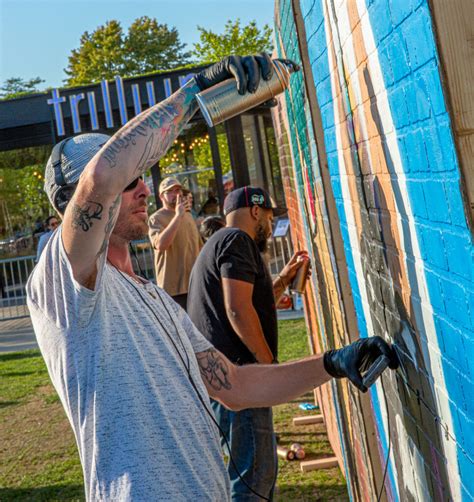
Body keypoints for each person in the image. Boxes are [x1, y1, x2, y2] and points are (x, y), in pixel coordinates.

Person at [26, 54, 398, 502]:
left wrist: (333, 363)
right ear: (74, 205)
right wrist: (194, 92)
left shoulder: (154, 299)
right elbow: (102, 175)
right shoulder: (65, 283)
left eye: (140, 177)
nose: (144, 188)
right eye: (130, 181)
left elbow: (236, 387)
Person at [188, 186, 311, 499]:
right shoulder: (237, 241)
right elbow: (238, 310)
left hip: (227, 383)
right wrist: (269, 367)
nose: (270, 226)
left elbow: (247, 303)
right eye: (269, 218)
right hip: (243, 382)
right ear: (256, 211)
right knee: (253, 479)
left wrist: (283, 280)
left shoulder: (217, 243)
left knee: (253, 474)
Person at [148, 177, 202, 309]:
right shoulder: (156, 218)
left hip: (194, 284)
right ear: (161, 196)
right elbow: (161, 245)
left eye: (178, 190)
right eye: (170, 191)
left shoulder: (188, 215)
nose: (176, 194)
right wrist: (178, 216)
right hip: (173, 290)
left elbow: (199, 246)